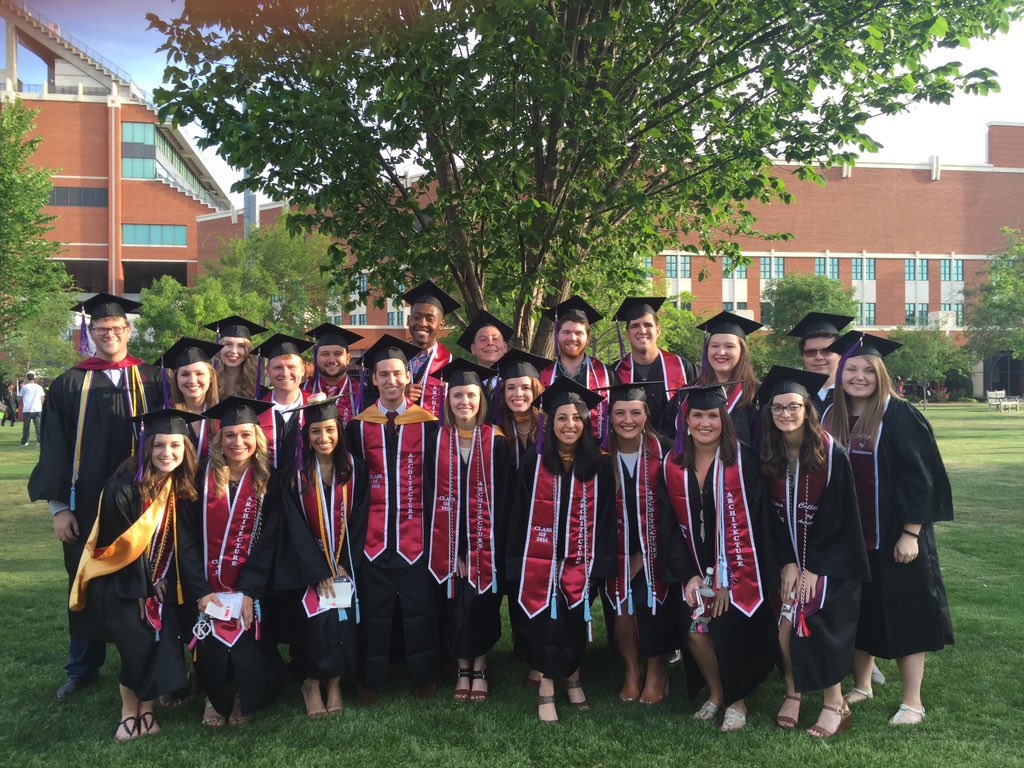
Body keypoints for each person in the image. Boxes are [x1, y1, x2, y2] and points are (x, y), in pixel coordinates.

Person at [29, 292, 161, 700]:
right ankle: (83, 666)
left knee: (148, 578)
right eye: (101, 329)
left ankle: (152, 659)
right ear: (91, 332)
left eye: (116, 328)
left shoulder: (153, 378)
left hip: (144, 502)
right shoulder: (70, 382)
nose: (110, 335)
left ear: (128, 330)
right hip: (85, 503)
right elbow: (53, 447)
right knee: (85, 578)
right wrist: (59, 508)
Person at [823, 332, 954, 725]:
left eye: (867, 369)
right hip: (852, 537)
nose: (858, 376)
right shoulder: (833, 416)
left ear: (880, 373)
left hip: (896, 534)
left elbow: (920, 477)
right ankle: (863, 683)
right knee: (858, 612)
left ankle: (912, 700)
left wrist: (911, 533)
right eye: (851, 369)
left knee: (906, 612)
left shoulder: (899, 414)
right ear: (840, 373)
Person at [68, 409, 201, 740]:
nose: (166, 453)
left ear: (186, 449)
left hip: (162, 581)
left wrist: (163, 580)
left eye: (174, 446)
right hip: (121, 581)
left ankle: (149, 709)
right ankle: (130, 712)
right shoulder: (122, 488)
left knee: (157, 641)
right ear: (146, 447)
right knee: (135, 642)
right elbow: (119, 550)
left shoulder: (181, 487)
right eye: (159, 446)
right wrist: (144, 588)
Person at [759, 366, 869, 738]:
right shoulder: (769, 455)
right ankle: (793, 691)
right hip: (790, 562)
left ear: (807, 409)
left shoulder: (831, 453)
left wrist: (814, 568)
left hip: (830, 565)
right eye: (777, 408)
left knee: (812, 625)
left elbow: (841, 519)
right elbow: (769, 518)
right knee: (783, 629)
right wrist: (787, 562)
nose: (785, 414)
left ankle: (833, 703)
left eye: (793, 407)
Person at [659, 383, 775, 732]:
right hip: (695, 570)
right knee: (696, 631)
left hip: (740, 572)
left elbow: (757, 524)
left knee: (724, 628)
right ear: (686, 420)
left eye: (712, 415)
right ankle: (718, 692)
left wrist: (731, 577)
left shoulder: (745, 461)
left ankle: (736, 702)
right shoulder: (672, 465)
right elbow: (667, 525)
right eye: (697, 415)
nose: (705, 422)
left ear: (724, 419)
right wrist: (689, 575)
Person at [507, 376, 615, 723]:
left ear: (586, 422)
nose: (570, 425)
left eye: (576, 418)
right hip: (540, 563)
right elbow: (519, 515)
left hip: (582, 562)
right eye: (561, 418)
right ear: (550, 423)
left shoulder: (601, 465)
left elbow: (608, 516)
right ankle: (547, 687)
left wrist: (598, 563)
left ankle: (573, 676)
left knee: (574, 623)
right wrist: (517, 562)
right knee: (548, 626)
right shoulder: (533, 463)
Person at [177, 396, 285, 727]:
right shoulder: (199, 477)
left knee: (250, 636)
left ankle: (244, 693)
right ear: (219, 439)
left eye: (245, 435)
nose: (238, 443)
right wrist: (200, 590)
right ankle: (213, 694)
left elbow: (269, 543)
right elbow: (187, 537)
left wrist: (249, 591)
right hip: (206, 582)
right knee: (209, 635)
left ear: (258, 438)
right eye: (230, 436)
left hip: (252, 583)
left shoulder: (270, 479)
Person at [345, 334, 441, 701]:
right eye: (383, 374)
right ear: (373, 380)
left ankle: (425, 675)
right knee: (373, 610)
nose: (390, 380)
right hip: (372, 534)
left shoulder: (428, 423)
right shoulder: (357, 425)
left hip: (417, 532)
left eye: (396, 374)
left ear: (407, 378)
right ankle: (370, 679)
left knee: (421, 607)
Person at [273, 398, 369, 717]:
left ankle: (335, 684)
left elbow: (361, 518)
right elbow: (294, 528)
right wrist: (319, 568)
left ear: (339, 431)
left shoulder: (354, 469)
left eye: (329, 430)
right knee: (314, 624)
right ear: (306, 436)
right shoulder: (294, 476)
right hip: (307, 567)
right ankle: (311, 683)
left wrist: (343, 561)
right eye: (315, 431)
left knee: (342, 624)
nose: (323, 437)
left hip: (345, 563)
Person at [427, 359, 512, 702]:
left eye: (471, 395)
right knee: (453, 607)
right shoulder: (435, 440)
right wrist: (457, 550)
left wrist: (479, 549)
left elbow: (504, 499)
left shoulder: (496, 441)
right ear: (448, 400)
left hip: (487, 544)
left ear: (482, 399)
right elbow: (430, 495)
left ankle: (480, 667)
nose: (465, 401)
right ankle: (463, 668)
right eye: (458, 395)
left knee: (481, 606)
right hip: (446, 545)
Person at [602, 382, 677, 706]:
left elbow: (676, 514)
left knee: (651, 602)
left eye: (635, 412)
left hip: (659, 549)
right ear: (610, 417)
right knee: (621, 606)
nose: (627, 419)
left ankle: (657, 670)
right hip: (614, 547)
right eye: (619, 412)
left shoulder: (668, 454)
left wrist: (645, 556)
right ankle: (632, 670)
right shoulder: (601, 456)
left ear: (647, 414)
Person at [494, 347, 551, 683]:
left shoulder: (549, 425)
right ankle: (523, 644)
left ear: (536, 390)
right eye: (511, 388)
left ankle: (542, 647)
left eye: (525, 388)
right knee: (515, 579)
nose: (518, 394)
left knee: (541, 579)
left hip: (542, 513)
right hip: (507, 516)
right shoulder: (496, 427)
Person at [612, 297, 696, 438]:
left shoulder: (683, 367)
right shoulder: (615, 372)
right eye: (635, 326)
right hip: (632, 449)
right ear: (627, 334)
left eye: (648, 325)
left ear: (658, 331)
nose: (642, 330)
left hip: (676, 451)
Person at [539, 296, 614, 440]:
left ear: (588, 337)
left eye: (579, 333)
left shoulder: (606, 374)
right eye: (566, 332)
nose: (572, 338)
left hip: (597, 453)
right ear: (556, 335)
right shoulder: (543, 376)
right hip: (554, 454)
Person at [695, 311, 763, 449]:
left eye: (729, 346)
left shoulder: (758, 394)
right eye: (714, 346)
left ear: (742, 351)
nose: (721, 352)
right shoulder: (692, 390)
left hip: (744, 469)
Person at [155, 338, 223, 462]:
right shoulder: (162, 415)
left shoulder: (224, 412)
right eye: (185, 374)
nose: (192, 380)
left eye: (199, 373)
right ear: (176, 379)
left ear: (211, 378)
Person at [254, 333, 315, 469]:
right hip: (266, 485)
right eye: (278, 367)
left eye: (291, 367)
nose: (285, 373)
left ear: (303, 370)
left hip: (307, 486)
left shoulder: (316, 406)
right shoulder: (256, 410)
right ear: (267, 371)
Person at [402, 280, 461, 419]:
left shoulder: (452, 365)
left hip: (436, 436)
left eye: (430, 319)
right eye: (416, 317)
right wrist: (397, 394)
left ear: (441, 324)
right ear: (408, 320)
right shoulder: (394, 358)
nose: (422, 323)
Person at [787, 312, 854, 416]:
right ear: (803, 356)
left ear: (840, 355)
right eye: (811, 352)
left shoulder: (854, 393)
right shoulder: (792, 395)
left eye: (826, 351)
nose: (818, 357)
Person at [302, 323, 365, 427]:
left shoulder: (364, 395)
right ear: (316, 357)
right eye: (325, 354)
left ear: (348, 358)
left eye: (338, 354)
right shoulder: (302, 392)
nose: (331, 360)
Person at [205, 315, 267, 400]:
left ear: (248, 351)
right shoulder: (205, 388)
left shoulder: (260, 393)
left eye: (241, 346)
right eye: (227, 344)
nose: (234, 351)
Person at [455, 311, 512, 403]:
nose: (490, 343)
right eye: (483, 339)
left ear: (505, 347)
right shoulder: (462, 382)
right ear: (473, 349)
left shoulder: (516, 381)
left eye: (495, 339)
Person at [19, 371, 45, 446]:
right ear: (34, 378)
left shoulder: (24, 387)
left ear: (27, 378)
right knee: (38, 426)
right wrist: (41, 405)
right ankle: (40, 441)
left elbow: (21, 398)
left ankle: (25, 442)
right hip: (37, 409)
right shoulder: (39, 387)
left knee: (26, 427)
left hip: (27, 409)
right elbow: (42, 397)